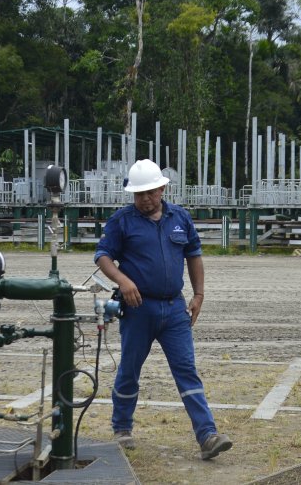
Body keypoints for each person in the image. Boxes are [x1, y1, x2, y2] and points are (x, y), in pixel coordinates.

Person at [94, 159, 232, 460]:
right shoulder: (122, 221)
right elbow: (103, 256)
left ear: (162, 188)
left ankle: (207, 436)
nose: (145, 199)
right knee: (129, 369)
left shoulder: (180, 217)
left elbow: (194, 255)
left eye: (150, 192)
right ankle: (122, 428)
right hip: (137, 309)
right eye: (139, 194)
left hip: (174, 310)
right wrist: (123, 280)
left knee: (187, 370)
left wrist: (199, 294)